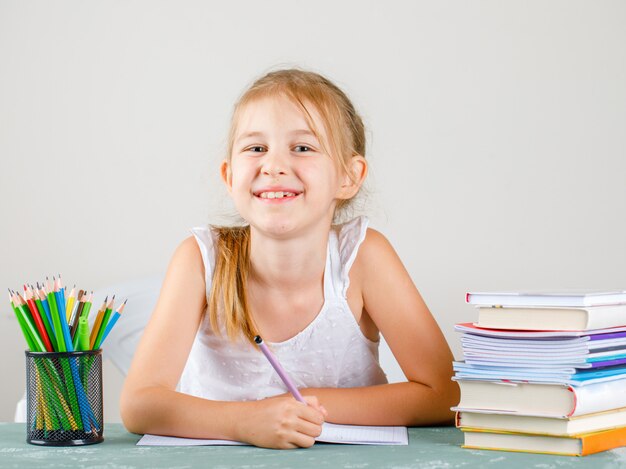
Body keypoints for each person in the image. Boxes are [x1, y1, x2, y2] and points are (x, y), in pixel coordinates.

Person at [120, 68, 459, 449]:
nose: (274, 165)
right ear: (230, 176)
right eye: (256, 148)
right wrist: (245, 422)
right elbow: (139, 405)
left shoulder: (363, 257)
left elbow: (445, 392)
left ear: (349, 176)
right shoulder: (200, 261)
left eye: (302, 148)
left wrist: (296, 406)